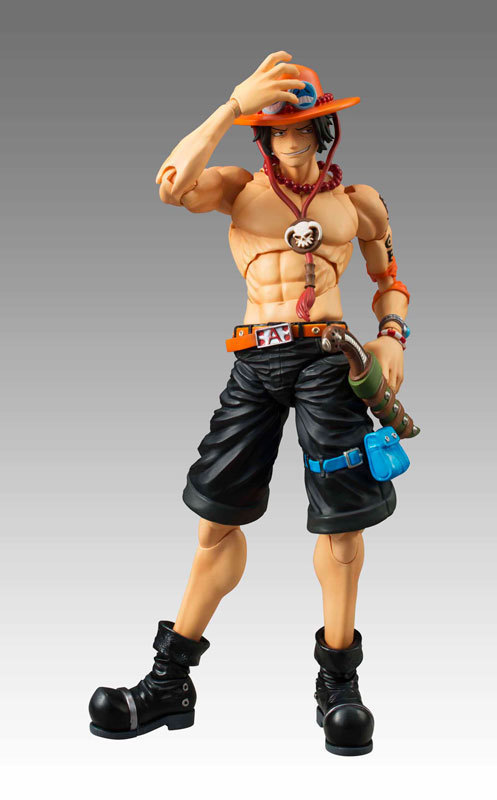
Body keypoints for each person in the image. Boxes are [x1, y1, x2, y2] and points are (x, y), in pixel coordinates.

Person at [89, 52, 410, 756]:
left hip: (328, 362)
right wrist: (231, 105)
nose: (292, 141)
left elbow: (390, 279)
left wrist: (391, 337)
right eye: (278, 130)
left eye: (304, 128)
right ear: (262, 137)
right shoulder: (239, 189)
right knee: (216, 520)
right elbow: (171, 185)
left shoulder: (357, 203)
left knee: (341, 523)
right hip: (256, 362)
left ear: (325, 132)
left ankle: (339, 685)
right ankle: (169, 682)